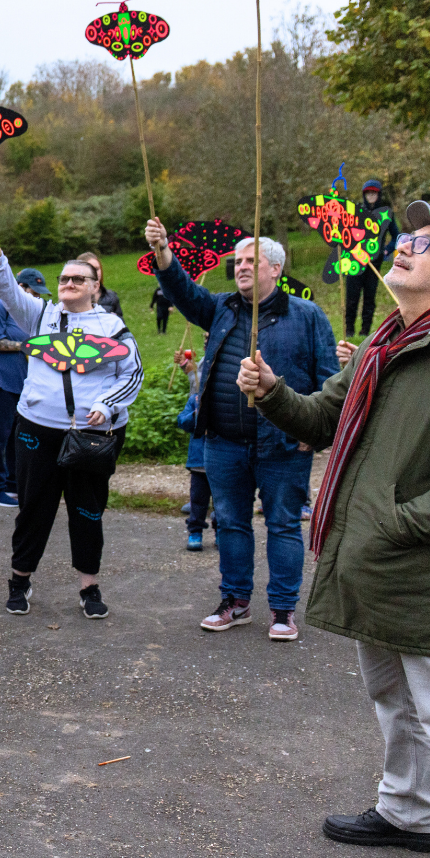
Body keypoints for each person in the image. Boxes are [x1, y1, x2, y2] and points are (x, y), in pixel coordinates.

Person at [237, 201, 430, 854]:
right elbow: (323, 418)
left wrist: (394, 523)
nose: (403, 246)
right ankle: (412, 813)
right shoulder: (386, 344)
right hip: (375, 563)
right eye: (404, 237)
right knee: (393, 697)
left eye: (425, 243)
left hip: (422, 568)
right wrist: (272, 391)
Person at [144, 217, 339, 640]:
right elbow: (182, 290)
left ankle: (283, 611)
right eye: (238, 261)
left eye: (252, 260)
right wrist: (163, 252)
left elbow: (328, 378)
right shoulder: (221, 308)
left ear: (276, 269)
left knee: (283, 525)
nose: (242, 267)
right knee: (231, 523)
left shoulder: (306, 316)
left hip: (283, 445)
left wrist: (315, 431)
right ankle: (235, 601)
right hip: (223, 443)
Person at [0, 227, 144, 619]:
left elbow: (132, 373)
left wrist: (107, 404)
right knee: (33, 507)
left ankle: (89, 586)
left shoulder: (112, 327)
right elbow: (7, 289)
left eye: (78, 279)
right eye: (64, 278)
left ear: (95, 286)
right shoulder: (40, 315)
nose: (69, 284)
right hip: (37, 429)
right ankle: (20, 580)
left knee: (88, 509)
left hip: (92, 435)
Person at [0, 267, 48, 507]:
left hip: (21, 384)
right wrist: (27, 346)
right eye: (32, 292)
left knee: (15, 438)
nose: (35, 298)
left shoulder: (30, 314)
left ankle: (12, 484)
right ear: (20, 288)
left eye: (38, 294)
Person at [345, 179, 400, 338]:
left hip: (374, 263)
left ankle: (365, 330)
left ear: (379, 194)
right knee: (352, 297)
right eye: (368, 193)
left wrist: (386, 250)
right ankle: (349, 330)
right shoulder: (357, 211)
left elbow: (396, 235)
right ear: (364, 195)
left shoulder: (386, 214)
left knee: (369, 297)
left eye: (374, 193)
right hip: (355, 262)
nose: (371, 196)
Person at [174, 348, 215, 551]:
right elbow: (182, 421)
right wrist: (194, 415)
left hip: (219, 462)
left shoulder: (222, 403)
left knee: (222, 503)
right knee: (198, 501)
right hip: (199, 461)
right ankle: (195, 531)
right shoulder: (194, 400)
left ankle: (221, 532)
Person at [78, 251, 123, 318]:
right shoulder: (72, 298)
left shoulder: (111, 297)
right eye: (90, 269)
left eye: (96, 269)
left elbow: (121, 322)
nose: (95, 273)